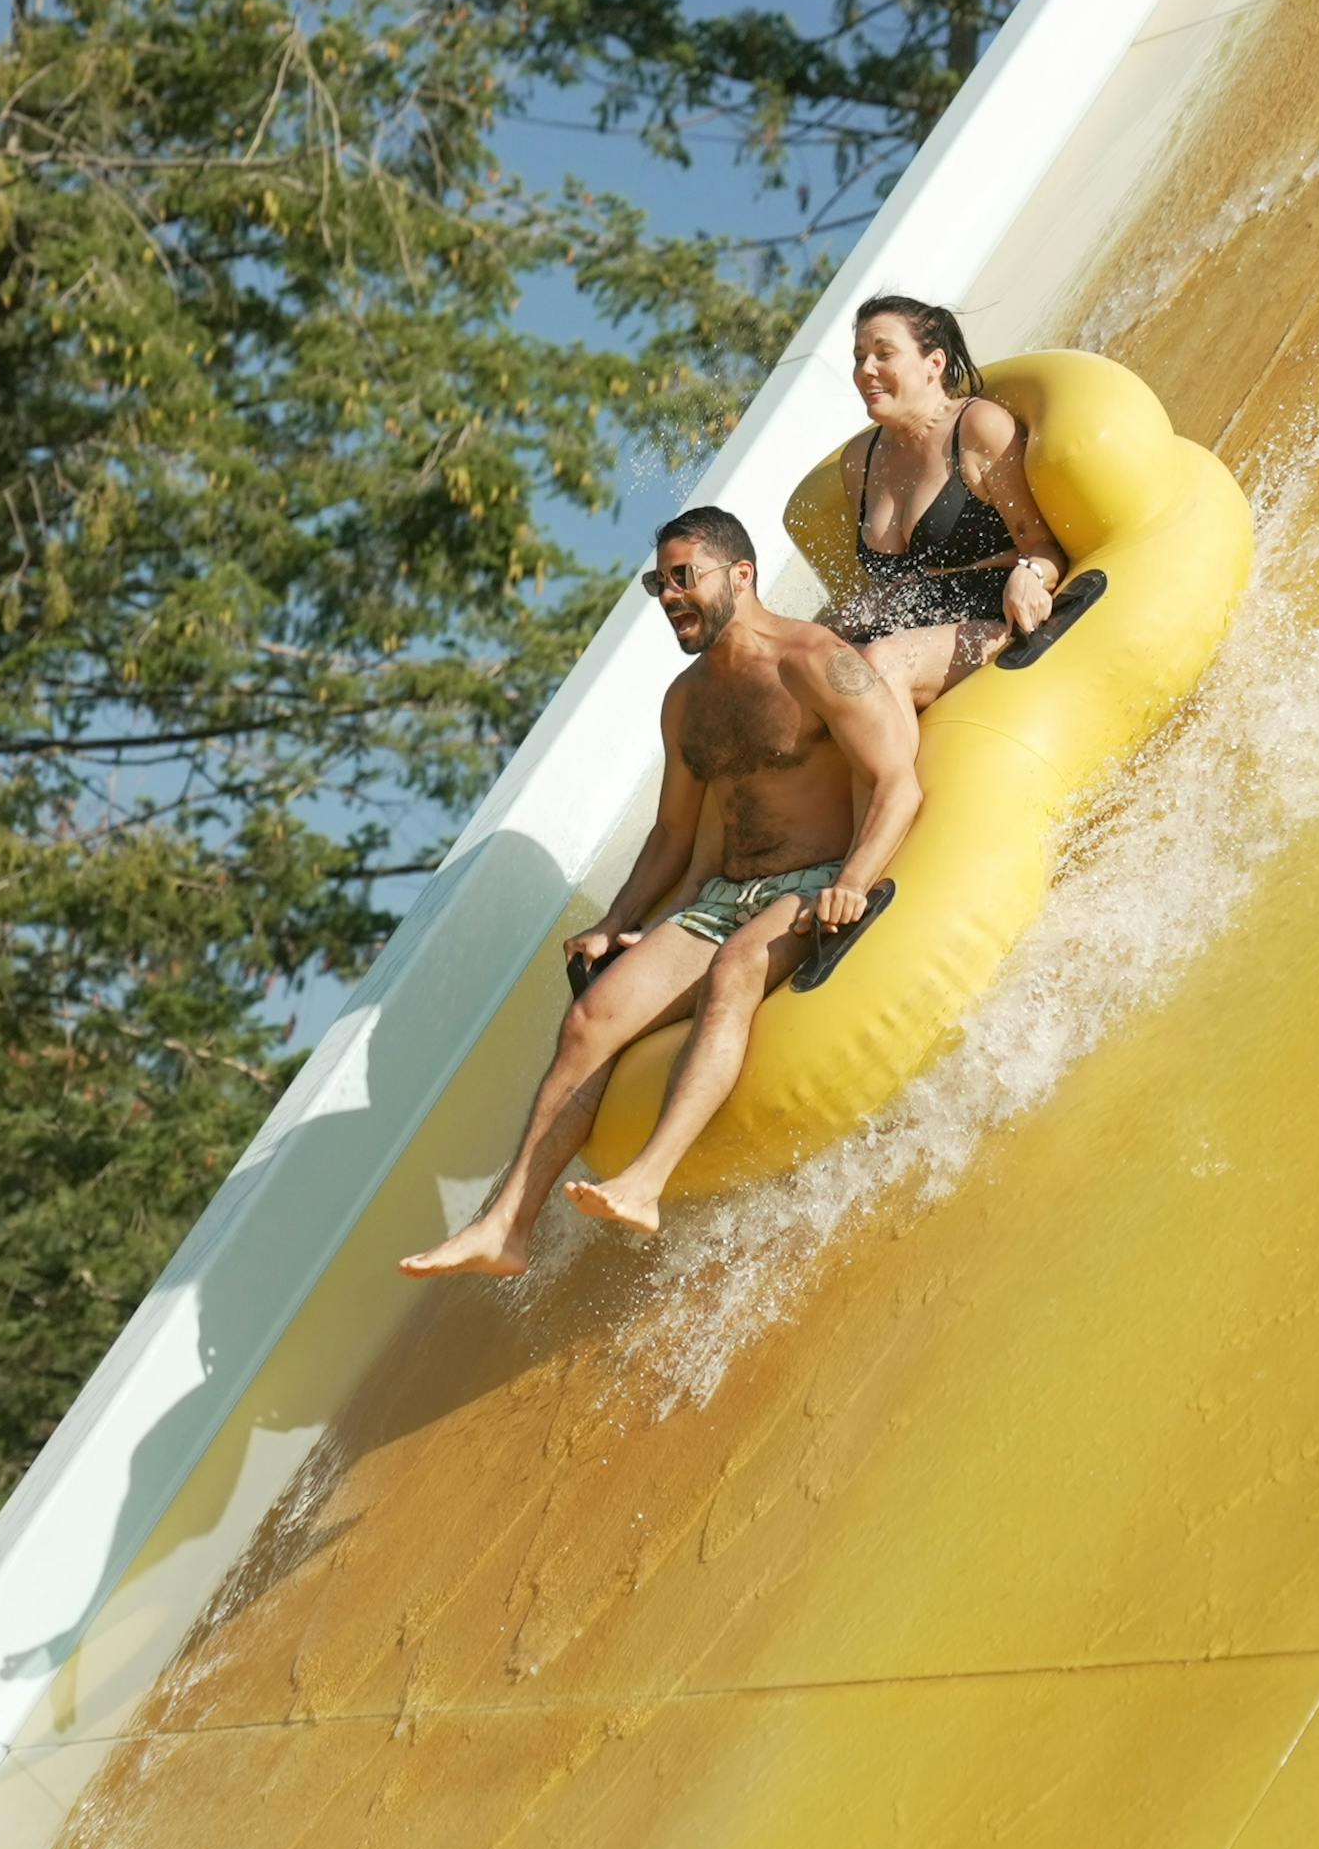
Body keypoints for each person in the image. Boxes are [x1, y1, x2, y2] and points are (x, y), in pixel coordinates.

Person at [400, 505, 923, 1275]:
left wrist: (852, 879)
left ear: (741, 574)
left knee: (740, 967)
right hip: (725, 896)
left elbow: (895, 782)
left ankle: (645, 1180)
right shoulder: (685, 701)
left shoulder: (815, 659)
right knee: (590, 1019)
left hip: (810, 883)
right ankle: (505, 1223)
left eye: (684, 576)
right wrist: (617, 919)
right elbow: (673, 836)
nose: (669, 595)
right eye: (658, 582)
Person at [828, 295, 1075, 713]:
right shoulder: (859, 461)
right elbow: (889, 587)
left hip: (992, 617)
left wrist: (1031, 574)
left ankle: (897, 781)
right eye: (859, 357)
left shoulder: (978, 428)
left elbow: (1045, 547)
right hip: (912, 624)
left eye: (883, 353)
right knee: (807, 663)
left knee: (883, 661)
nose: (865, 370)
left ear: (934, 364)